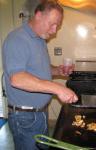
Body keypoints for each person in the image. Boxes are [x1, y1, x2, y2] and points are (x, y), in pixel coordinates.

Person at [2, 1, 78, 150]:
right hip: (25, 117)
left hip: (40, 113)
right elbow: (17, 79)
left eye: (58, 25)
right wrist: (58, 89)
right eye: (52, 24)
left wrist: (57, 71)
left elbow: (39, 68)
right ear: (38, 15)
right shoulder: (17, 39)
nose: (54, 30)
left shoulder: (40, 39)